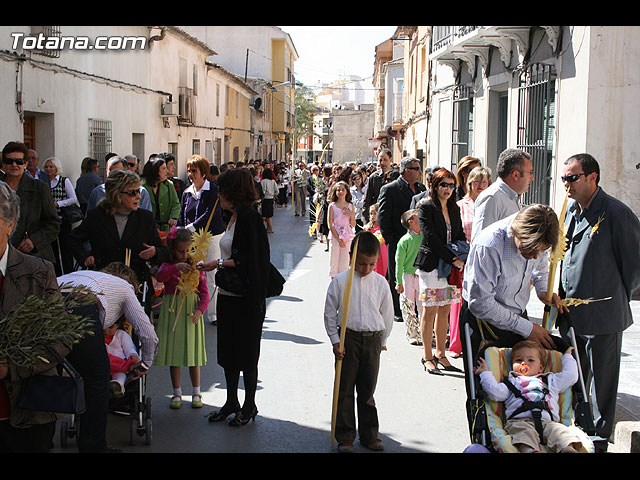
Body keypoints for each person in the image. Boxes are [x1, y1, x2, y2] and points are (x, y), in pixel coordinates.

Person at [558, 153, 640, 452]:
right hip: (570, 312)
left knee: (603, 382)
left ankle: (600, 437)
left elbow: (633, 267)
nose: (566, 183)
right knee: (575, 376)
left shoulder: (617, 213)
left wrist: (611, 296)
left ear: (593, 177)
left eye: (572, 177)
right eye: (564, 177)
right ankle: (579, 427)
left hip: (603, 311)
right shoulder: (570, 211)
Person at [460, 204, 567, 397]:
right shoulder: (489, 244)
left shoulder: (538, 243)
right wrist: (528, 328)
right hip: (484, 322)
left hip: (517, 316)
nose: (535, 255)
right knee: (486, 394)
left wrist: (544, 292)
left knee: (523, 388)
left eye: (541, 250)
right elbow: (481, 303)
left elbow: (540, 270)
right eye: (530, 249)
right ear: (517, 233)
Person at [57, 263, 158, 453]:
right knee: (97, 379)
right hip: (81, 305)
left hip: (51, 299)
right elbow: (147, 332)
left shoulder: (83, 274)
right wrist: (145, 362)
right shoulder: (125, 288)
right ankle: (93, 446)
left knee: (46, 371)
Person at [0, 180, 70, 453]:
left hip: (27, 417)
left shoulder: (37, 272)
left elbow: (61, 339)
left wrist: (11, 368)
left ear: (10, 223)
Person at [198, 168, 270, 426]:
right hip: (229, 295)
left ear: (234, 192)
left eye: (223, 190)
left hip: (247, 299)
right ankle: (231, 401)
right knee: (228, 353)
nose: (219, 195)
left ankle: (249, 405)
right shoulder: (233, 216)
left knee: (247, 355)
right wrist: (217, 263)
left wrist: (219, 263)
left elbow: (252, 259)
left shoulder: (250, 217)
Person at [323, 230, 394, 453]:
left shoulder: (381, 283)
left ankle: (370, 434)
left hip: (372, 341)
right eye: (362, 264)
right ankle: (345, 436)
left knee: (367, 390)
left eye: (371, 264)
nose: (366, 269)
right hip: (348, 339)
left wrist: (383, 340)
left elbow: (387, 314)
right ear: (352, 256)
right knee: (344, 389)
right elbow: (329, 313)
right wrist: (335, 340)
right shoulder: (341, 282)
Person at [68, 169, 168, 309]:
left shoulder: (145, 218)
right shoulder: (97, 216)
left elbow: (163, 251)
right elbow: (73, 239)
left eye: (138, 191)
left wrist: (154, 252)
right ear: (116, 195)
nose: (138, 196)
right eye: (132, 192)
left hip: (136, 286)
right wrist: (84, 257)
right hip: (104, 286)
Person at [473, 340, 587, 453]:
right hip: (520, 421)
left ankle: (567, 449)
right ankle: (531, 451)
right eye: (518, 360)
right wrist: (485, 373)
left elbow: (571, 376)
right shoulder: (512, 382)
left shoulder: (551, 380)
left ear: (541, 368)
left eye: (531, 360)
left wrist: (567, 357)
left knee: (562, 434)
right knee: (523, 436)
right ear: (512, 366)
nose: (524, 363)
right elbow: (495, 393)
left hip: (548, 423)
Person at [413, 168, 467, 375]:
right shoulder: (425, 207)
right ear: (434, 186)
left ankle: (441, 353)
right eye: (444, 184)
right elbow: (430, 238)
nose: (448, 189)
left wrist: (462, 254)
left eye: (452, 185)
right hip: (432, 266)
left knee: (445, 309)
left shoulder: (454, 208)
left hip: (450, 267)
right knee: (430, 309)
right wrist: (452, 258)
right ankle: (427, 356)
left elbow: (459, 233)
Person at [155, 227, 209, 409]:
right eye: (180, 251)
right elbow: (160, 276)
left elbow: (204, 294)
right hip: (172, 311)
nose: (184, 255)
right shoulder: (168, 265)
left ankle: (196, 391)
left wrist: (200, 311)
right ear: (172, 249)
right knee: (175, 356)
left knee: (193, 355)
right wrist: (175, 267)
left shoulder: (196, 268)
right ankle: (176, 392)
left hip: (191, 311)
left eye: (188, 250)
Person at [449, 166, 492, 357]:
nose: (481, 185)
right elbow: (453, 234)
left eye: (484, 181)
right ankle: (456, 344)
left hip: (486, 260)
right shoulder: (459, 205)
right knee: (459, 302)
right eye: (477, 181)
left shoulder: (492, 204)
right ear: (469, 183)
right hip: (463, 260)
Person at [378, 156, 426, 322]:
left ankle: (417, 309)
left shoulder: (421, 188)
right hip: (399, 241)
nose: (420, 172)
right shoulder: (390, 189)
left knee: (416, 276)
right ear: (407, 170)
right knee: (397, 274)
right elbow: (383, 218)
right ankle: (398, 310)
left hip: (419, 242)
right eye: (417, 168)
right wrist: (391, 240)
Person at [179, 155, 225, 326]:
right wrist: (179, 231)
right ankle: (190, 308)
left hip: (212, 237)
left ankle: (213, 314)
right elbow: (182, 215)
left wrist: (189, 228)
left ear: (203, 173)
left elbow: (208, 215)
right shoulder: (186, 192)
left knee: (211, 274)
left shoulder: (213, 190)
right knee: (191, 272)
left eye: (194, 171)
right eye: (189, 171)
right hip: (191, 239)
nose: (191, 174)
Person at [0, 141, 60, 264]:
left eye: (19, 161)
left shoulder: (39, 188)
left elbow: (53, 223)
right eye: (9, 161)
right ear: (3, 164)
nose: (14, 165)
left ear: (26, 164)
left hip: (34, 258)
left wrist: (34, 241)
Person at [470, 148, 534, 243]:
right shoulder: (492, 198)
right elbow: (481, 243)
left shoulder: (511, 197)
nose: (532, 178)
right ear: (515, 175)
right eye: (530, 173)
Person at [43, 156, 80, 276]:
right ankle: (56, 275)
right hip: (48, 221)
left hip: (62, 219)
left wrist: (58, 204)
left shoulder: (64, 181)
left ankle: (69, 274)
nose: (48, 169)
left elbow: (73, 199)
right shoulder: (42, 181)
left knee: (65, 248)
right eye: (46, 167)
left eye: (51, 166)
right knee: (52, 250)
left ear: (56, 168)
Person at [86, 156, 152, 213]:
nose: (114, 176)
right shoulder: (97, 192)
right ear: (106, 172)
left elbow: (147, 220)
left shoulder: (141, 192)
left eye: (118, 173)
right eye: (111, 172)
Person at [394, 209, 422, 345]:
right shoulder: (404, 241)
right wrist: (399, 281)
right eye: (418, 218)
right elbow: (398, 263)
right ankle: (412, 334)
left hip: (422, 275)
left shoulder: (424, 237)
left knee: (423, 306)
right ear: (411, 222)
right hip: (408, 277)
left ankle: (424, 332)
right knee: (408, 305)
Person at [104, 317, 140, 399]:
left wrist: (132, 355)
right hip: (104, 365)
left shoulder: (121, 335)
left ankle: (118, 385)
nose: (106, 330)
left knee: (120, 374)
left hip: (119, 365)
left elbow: (129, 347)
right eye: (104, 326)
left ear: (117, 325)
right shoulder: (98, 335)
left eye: (110, 327)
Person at [141, 157, 180, 232]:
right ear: (155, 171)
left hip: (165, 228)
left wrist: (173, 218)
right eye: (164, 168)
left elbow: (176, 204)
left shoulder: (169, 185)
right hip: (147, 228)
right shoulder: (142, 187)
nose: (167, 171)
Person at [327, 181, 356, 279]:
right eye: (338, 190)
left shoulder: (350, 206)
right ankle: (333, 280)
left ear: (347, 191)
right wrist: (338, 239)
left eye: (343, 189)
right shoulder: (332, 206)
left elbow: (353, 224)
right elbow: (330, 224)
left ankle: (342, 281)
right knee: (334, 259)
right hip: (335, 235)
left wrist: (351, 214)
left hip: (347, 235)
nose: (340, 192)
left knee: (345, 259)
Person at [363, 148, 393, 223]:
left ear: (391, 159)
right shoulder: (374, 177)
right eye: (380, 160)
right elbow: (367, 199)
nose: (382, 162)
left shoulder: (397, 176)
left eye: (385, 160)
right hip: (376, 220)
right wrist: (367, 220)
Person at [363, 203, 388, 278]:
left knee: (383, 268)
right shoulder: (368, 228)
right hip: (372, 252)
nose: (372, 216)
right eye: (371, 213)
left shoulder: (383, 227)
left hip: (383, 252)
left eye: (374, 213)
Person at [260, 168, 279, 233]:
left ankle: (269, 228)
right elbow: (277, 191)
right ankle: (269, 228)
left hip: (265, 199)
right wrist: (274, 194)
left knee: (265, 215)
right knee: (269, 215)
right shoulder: (273, 181)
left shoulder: (263, 181)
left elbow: (263, 191)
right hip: (271, 199)